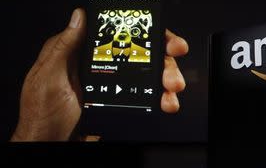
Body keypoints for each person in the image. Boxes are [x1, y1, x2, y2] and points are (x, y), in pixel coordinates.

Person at [10, 8, 188, 141]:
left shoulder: (143, 53)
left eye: (131, 28)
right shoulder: (99, 51)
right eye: (116, 26)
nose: (122, 33)